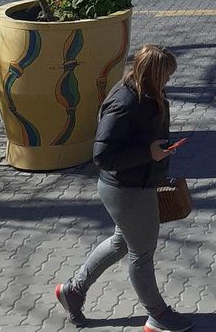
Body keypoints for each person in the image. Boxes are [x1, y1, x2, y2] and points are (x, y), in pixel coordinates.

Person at [55, 45, 192, 331]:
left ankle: (73, 290)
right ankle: (157, 315)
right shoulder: (124, 102)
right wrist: (148, 153)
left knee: (122, 242)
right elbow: (102, 156)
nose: (168, 81)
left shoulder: (147, 93)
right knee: (141, 252)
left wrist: (159, 150)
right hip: (126, 189)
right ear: (152, 73)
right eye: (165, 76)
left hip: (137, 184)